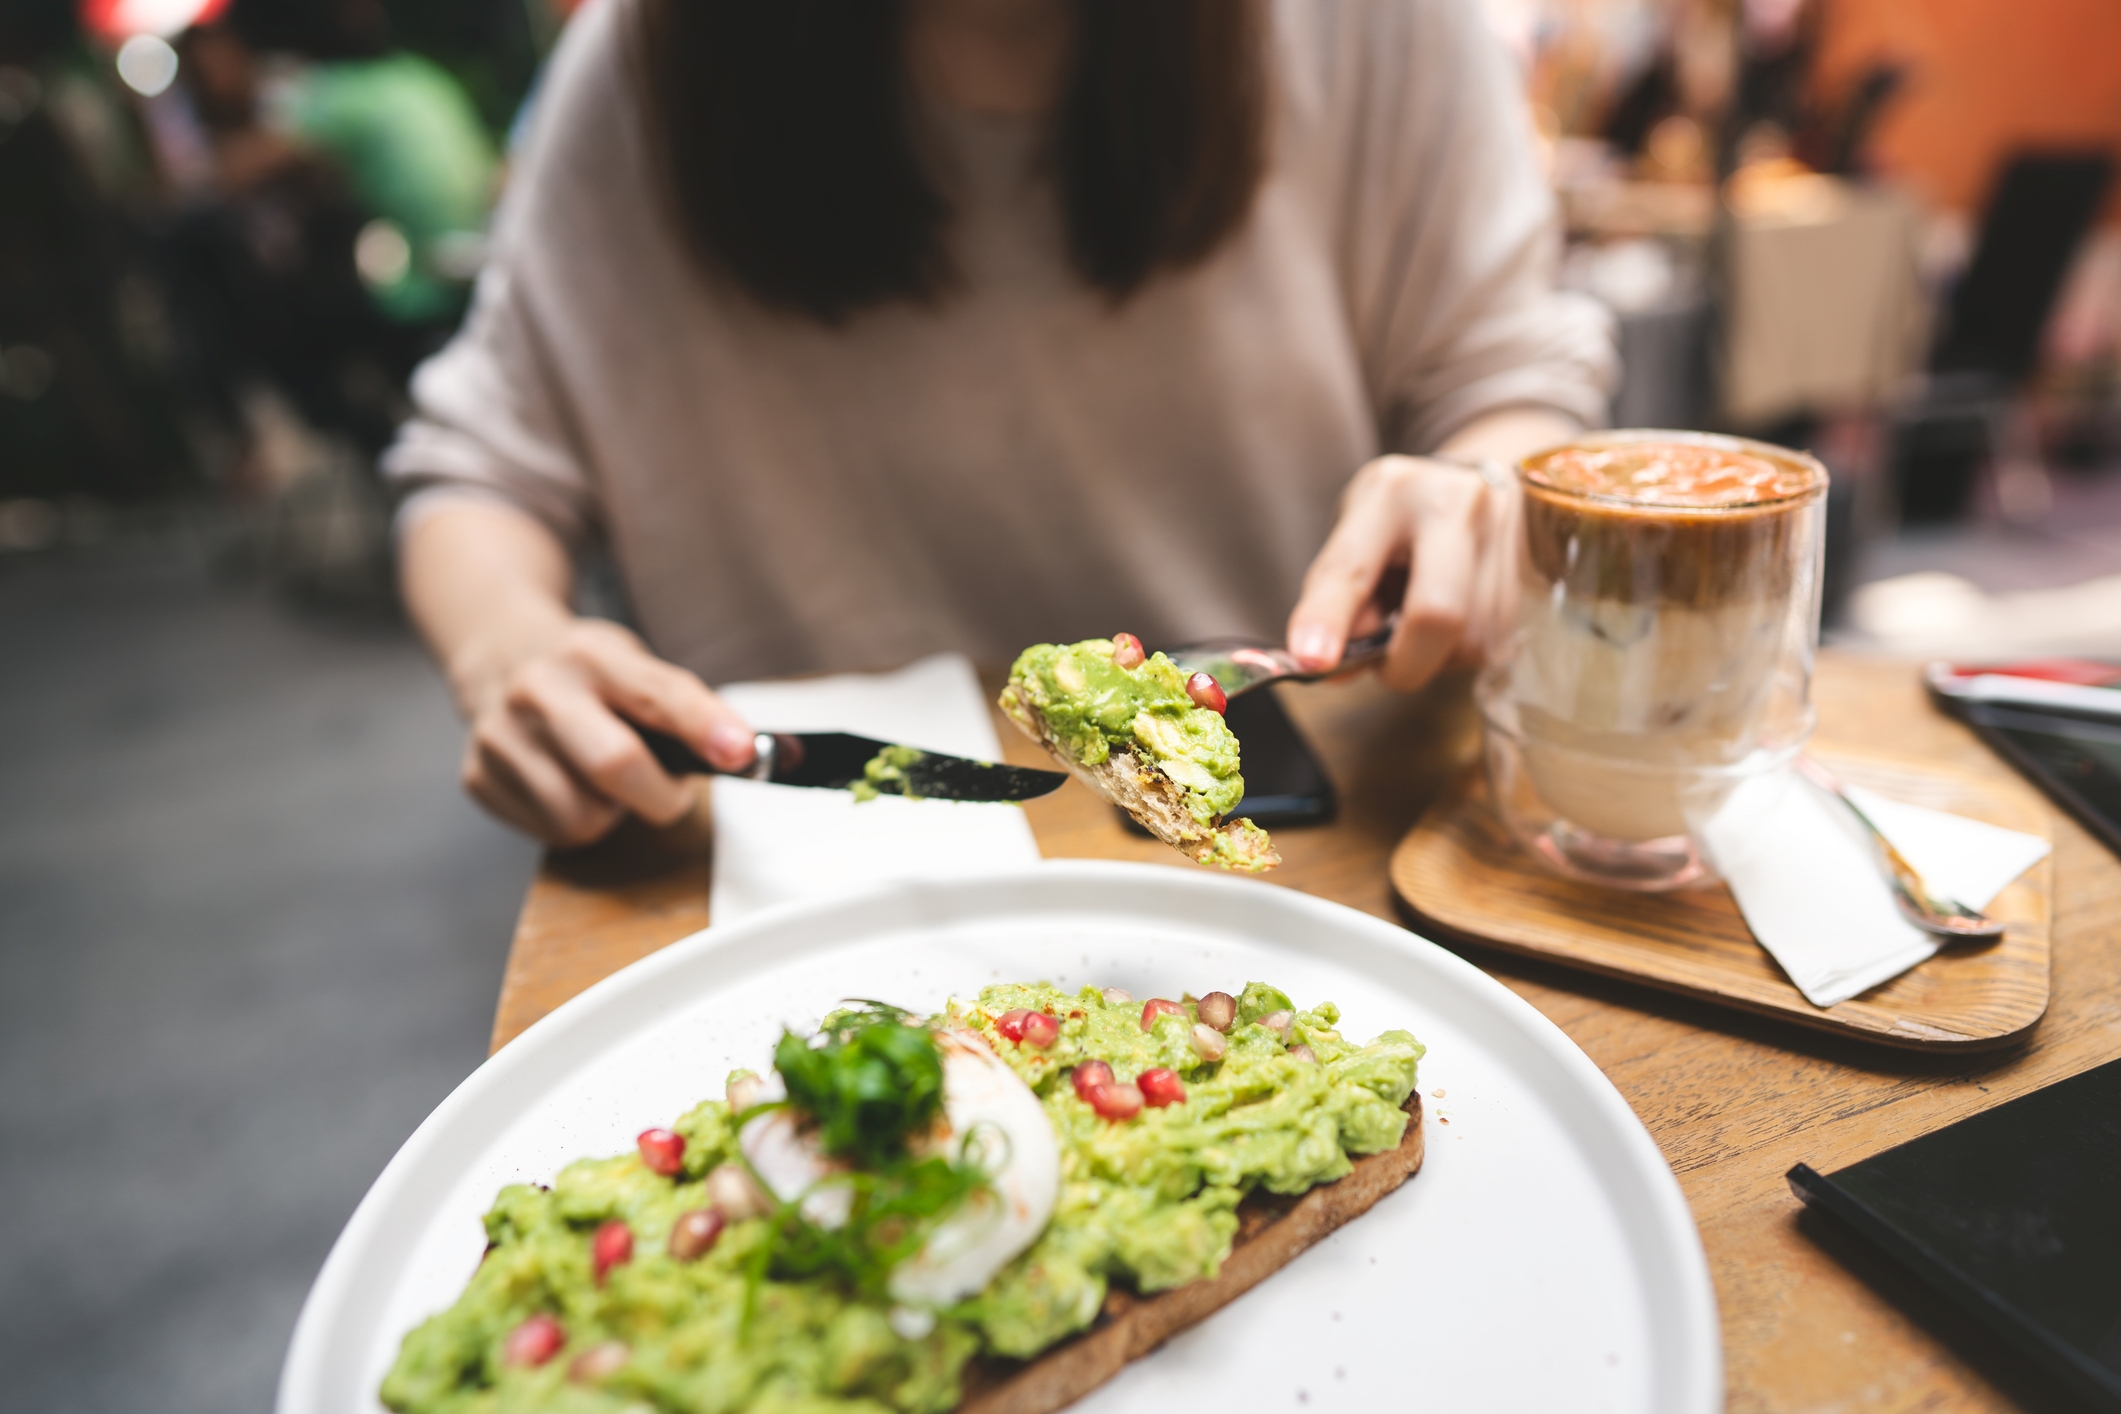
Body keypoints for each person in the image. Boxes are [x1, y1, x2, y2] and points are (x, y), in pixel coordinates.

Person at [388, 0, 1615, 847]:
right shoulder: (647, 70)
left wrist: (1482, 482)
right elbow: (479, 472)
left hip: (1300, 838)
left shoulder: (1373, 32)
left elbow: (1503, 376)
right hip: (798, 871)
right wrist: (515, 650)